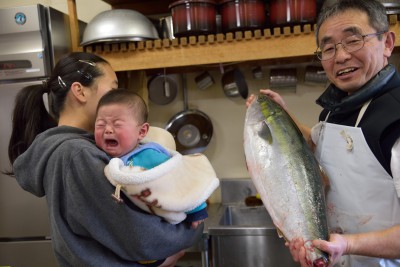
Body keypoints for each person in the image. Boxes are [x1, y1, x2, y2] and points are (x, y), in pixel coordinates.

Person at [7, 52, 202, 267]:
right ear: (80, 91)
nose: (118, 97)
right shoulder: (76, 154)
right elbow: (139, 236)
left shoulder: (79, 149)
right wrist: (190, 228)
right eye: (113, 89)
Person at [248, 0, 400, 266]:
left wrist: (348, 244)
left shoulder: (395, 119)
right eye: (329, 48)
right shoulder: (337, 108)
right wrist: (281, 117)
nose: (340, 56)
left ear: (387, 43)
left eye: (353, 41)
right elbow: (321, 147)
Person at [94, 89, 219, 229]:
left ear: (141, 132)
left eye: (117, 124)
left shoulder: (150, 155)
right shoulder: (97, 156)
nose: (108, 130)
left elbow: (179, 181)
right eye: (101, 124)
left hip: (162, 224)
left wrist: (196, 210)